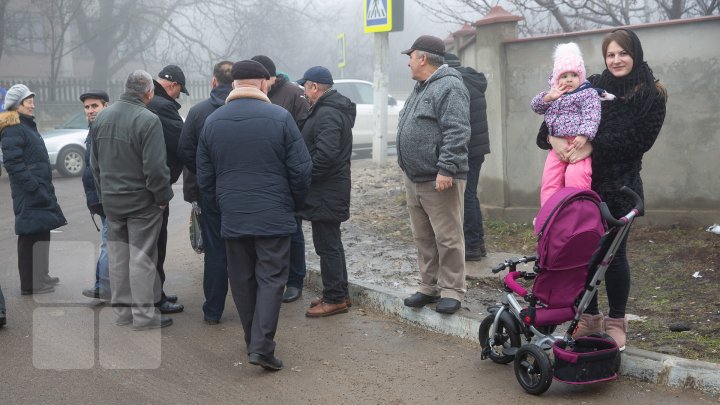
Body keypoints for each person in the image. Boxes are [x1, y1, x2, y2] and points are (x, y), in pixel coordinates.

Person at [536, 28, 667, 350]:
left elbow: (639, 142)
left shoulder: (651, 94)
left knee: (614, 256)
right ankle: (590, 316)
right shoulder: (589, 84)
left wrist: (590, 146)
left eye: (623, 53)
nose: (617, 60)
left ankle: (617, 320)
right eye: (611, 54)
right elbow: (547, 129)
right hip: (582, 188)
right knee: (583, 254)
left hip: (621, 188)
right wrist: (553, 139)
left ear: (634, 54)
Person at [196, 60, 312, 371]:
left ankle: (254, 342)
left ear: (234, 84)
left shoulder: (213, 121)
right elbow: (301, 171)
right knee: (272, 279)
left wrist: (222, 206)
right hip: (274, 215)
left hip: (233, 216)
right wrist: (293, 203)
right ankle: (261, 346)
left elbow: (204, 178)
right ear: (262, 84)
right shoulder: (281, 118)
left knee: (242, 280)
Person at [91, 70, 175, 330]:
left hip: (113, 202)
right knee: (142, 259)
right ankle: (143, 316)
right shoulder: (148, 120)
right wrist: (162, 198)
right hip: (142, 204)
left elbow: (94, 165)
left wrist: (104, 195)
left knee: (118, 258)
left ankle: (123, 314)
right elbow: (156, 169)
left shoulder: (102, 116)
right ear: (148, 92)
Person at [397, 36, 471, 315]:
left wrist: (446, 168)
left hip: (439, 177)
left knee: (448, 237)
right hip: (415, 177)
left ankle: (452, 290)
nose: (408, 62)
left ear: (423, 58)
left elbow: (457, 131)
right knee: (423, 237)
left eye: (411, 56)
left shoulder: (450, 86)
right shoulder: (421, 87)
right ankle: (429, 287)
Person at [177, 60, 234, 325]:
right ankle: (254, 308)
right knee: (246, 249)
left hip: (209, 192)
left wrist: (203, 176)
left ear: (213, 82)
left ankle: (213, 310)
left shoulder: (199, 113)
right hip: (242, 193)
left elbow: (185, 151)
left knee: (215, 251)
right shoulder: (252, 109)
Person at [296, 66, 355, 317]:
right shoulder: (328, 110)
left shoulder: (328, 114)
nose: (304, 94)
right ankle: (339, 292)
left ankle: (334, 299)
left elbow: (326, 155)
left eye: (305, 88)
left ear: (314, 87)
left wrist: (306, 176)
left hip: (326, 190)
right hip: (329, 189)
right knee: (332, 243)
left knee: (327, 245)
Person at [251, 55, 311, 304]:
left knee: (293, 230)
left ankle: (295, 280)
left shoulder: (294, 94)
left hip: (287, 175)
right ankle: (267, 278)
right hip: (261, 175)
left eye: (263, 79)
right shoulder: (255, 95)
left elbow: (304, 136)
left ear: (271, 77)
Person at [0, 84, 66, 295]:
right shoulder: (13, 128)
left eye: (32, 101)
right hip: (29, 192)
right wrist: (33, 186)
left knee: (42, 230)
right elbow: (12, 163)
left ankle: (41, 275)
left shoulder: (25, 124)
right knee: (29, 235)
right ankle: (29, 284)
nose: (32, 105)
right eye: (28, 102)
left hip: (38, 188)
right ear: (17, 105)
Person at [531, 42, 602, 207]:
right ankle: (549, 215)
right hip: (556, 147)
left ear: (581, 77)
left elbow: (592, 115)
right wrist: (548, 97)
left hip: (578, 143)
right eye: (564, 76)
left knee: (576, 176)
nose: (569, 79)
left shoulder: (588, 94)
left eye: (574, 75)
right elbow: (535, 106)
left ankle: (577, 211)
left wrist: (584, 134)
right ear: (556, 79)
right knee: (550, 179)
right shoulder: (554, 95)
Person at [147, 64, 187, 315]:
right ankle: (154, 300)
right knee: (155, 245)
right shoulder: (162, 107)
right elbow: (182, 143)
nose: (178, 97)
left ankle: (156, 292)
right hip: (155, 189)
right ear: (172, 86)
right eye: (179, 91)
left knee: (149, 245)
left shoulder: (149, 101)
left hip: (144, 187)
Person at [444, 53, 491, 261]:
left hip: (467, 149)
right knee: (471, 194)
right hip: (477, 148)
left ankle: (472, 245)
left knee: (466, 197)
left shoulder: (457, 84)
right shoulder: (472, 80)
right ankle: (478, 244)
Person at [79, 90, 112, 300]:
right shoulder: (93, 128)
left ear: (105, 106)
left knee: (108, 243)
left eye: (94, 106)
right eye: (87, 107)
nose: (90, 111)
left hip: (108, 198)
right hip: (99, 200)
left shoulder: (106, 128)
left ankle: (104, 287)